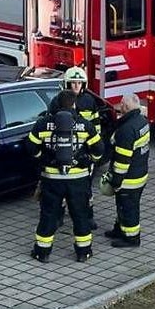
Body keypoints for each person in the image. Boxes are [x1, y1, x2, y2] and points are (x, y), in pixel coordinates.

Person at [28, 90, 104, 263]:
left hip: (52, 179)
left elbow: (31, 147)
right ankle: (83, 252)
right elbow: (99, 149)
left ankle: (42, 252)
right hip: (78, 180)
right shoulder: (85, 125)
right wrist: (89, 160)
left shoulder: (42, 124)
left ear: (56, 104)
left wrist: (44, 158)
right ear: (74, 105)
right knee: (80, 215)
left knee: (48, 215)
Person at [49, 66, 100, 229]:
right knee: (59, 187)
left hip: (83, 152)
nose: (76, 86)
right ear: (66, 84)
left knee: (86, 189)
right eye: (73, 83)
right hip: (62, 150)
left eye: (79, 83)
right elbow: (50, 127)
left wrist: (92, 151)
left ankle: (88, 217)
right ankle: (58, 216)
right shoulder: (57, 101)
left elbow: (95, 126)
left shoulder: (89, 101)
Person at [102, 94, 150, 248]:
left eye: (121, 104)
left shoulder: (127, 130)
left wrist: (116, 181)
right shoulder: (142, 121)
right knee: (122, 205)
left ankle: (131, 238)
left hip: (129, 179)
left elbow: (122, 162)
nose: (119, 106)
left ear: (125, 107)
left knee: (128, 207)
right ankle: (119, 229)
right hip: (140, 174)